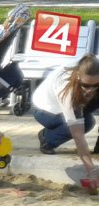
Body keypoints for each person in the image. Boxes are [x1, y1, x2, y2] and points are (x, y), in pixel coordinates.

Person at [32, 54, 99, 188]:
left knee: (87, 119)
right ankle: (47, 138)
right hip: (45, 110)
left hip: (74, 98)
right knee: (87, 123)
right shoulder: (66, 88)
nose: (90, 90)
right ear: (78, 77)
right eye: (86, 85)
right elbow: (78, 136)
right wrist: (92, 170)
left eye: (95, 85)